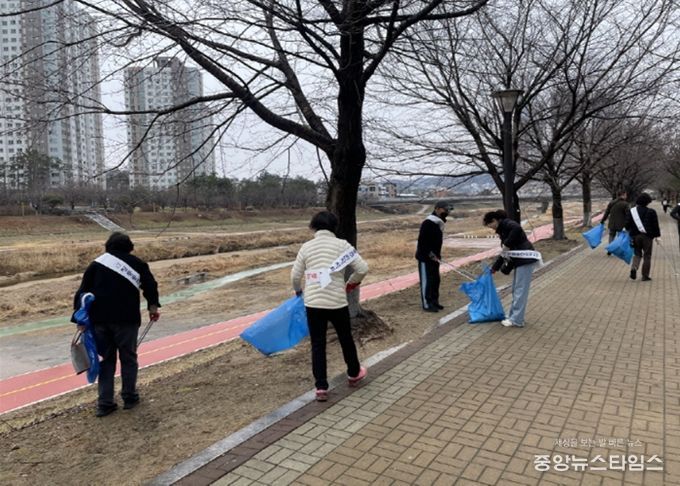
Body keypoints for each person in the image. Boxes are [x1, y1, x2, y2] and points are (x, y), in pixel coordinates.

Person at [72, 232, 160, 417]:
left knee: (106, 360)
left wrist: (79, 320)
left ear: (108, 245)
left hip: (100, 320)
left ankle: (105, 403)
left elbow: (82, 292)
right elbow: (150, 285)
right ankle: (129, 398)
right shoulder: (137, 263)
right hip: (127, 319)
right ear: (130, 246)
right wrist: (152, 307)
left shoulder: (96, 264)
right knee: (129, 358)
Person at [291, 211, 369, 402]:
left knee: (318, 344)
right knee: (345, 338)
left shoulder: (306, 247)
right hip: (337, 301)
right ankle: (354, 373)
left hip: (313, 303)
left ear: (314, 227)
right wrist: (350, 284)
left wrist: (299, 291)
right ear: (334, 226)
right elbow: (363, 268)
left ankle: (321, 387)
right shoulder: (343, 245)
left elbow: (295, 276)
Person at [484, 210, 541, 328]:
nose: (491, 228)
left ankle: (516, 320)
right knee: (516, 289)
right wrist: (495, 268)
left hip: (525, 260)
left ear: (494, 220)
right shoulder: (503, 229)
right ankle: (513, 316)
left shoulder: (508, 224)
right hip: (520, 261)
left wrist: (507, 243)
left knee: (520, 290)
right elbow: (505, 252)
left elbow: (517, 228)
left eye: (490, 225)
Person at [415, 200, 452, 312]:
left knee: (435, 280)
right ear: (437, 209)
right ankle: (427, 304)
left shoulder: (438, 223)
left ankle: (434, 301)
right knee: (427, 281)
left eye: (448, 210)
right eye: (445, 209)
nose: (447, 212)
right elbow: (422, 242)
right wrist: (430, 254)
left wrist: (437, 255)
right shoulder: (428, 223)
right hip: (425, 258)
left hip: (435, 258)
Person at [625, 193, 661, 281]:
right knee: (647, 256)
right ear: (648, 202)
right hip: (647, 237)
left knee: (637, 254)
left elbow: (627, 224)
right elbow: (655, 225)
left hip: (635, 236)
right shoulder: (651, 212)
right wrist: (657, 236)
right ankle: (645, 276)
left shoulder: (632, 211)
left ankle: (634, 268)